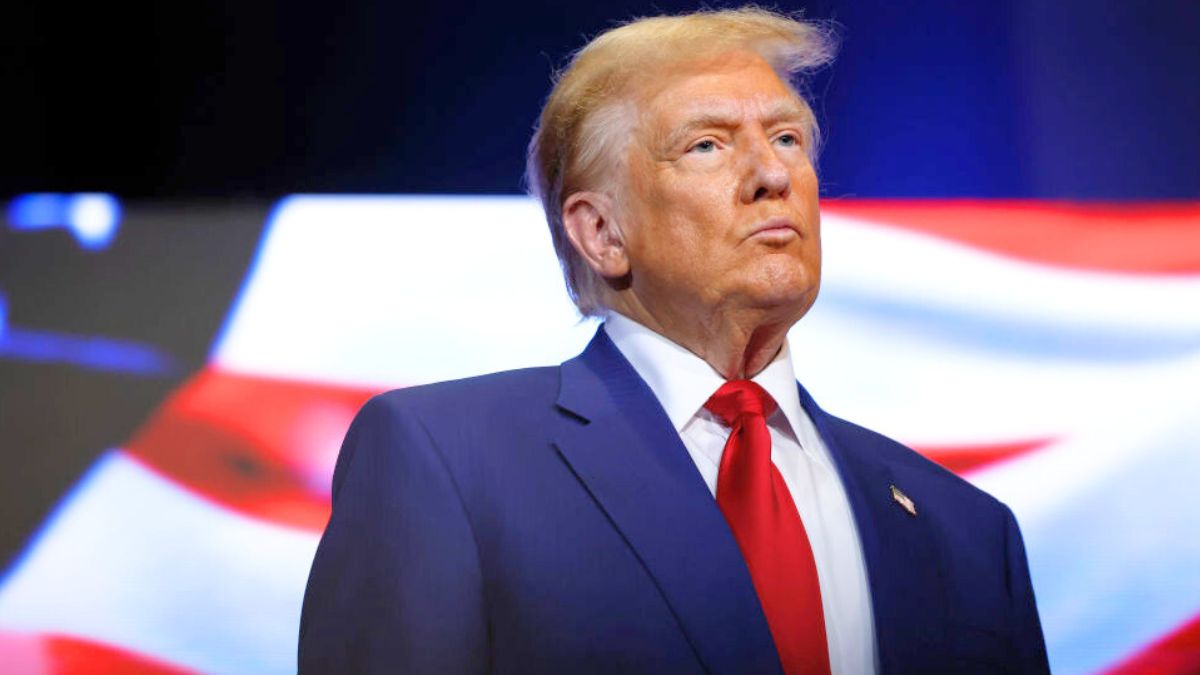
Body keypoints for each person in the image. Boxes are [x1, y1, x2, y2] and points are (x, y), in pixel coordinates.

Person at [299, 7, 1050, 674]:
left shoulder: (966, 531)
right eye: (706, 146)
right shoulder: (450, 464)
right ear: (601, 232)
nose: (772, 174)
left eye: (787, 136)